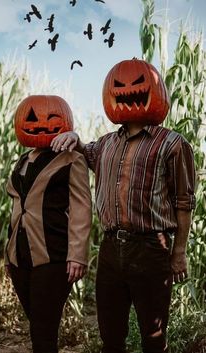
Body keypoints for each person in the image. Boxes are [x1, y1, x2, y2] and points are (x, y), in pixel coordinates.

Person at [51, 59, 196, 353]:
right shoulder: (105, 144)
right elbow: (85, 151)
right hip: (110, 249)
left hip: (151, 248)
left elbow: (184, 202)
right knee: (110, 334)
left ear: (154, 90)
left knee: (153, 336)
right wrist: (75, 138)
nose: (127, 91)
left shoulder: (173, 144)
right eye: (119, 86)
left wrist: (178, 252)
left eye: (136, 85)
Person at [5, 94, 92, 353]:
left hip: (53, 256)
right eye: (31, 118)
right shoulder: (22, 160)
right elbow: (16, 210)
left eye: (51, 118)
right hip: (19, 257)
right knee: (37, 326)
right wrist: (8, 254)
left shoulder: (71, 159)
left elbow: (81, 208)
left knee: (44, 332)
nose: (40, 123)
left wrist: (77, 255)